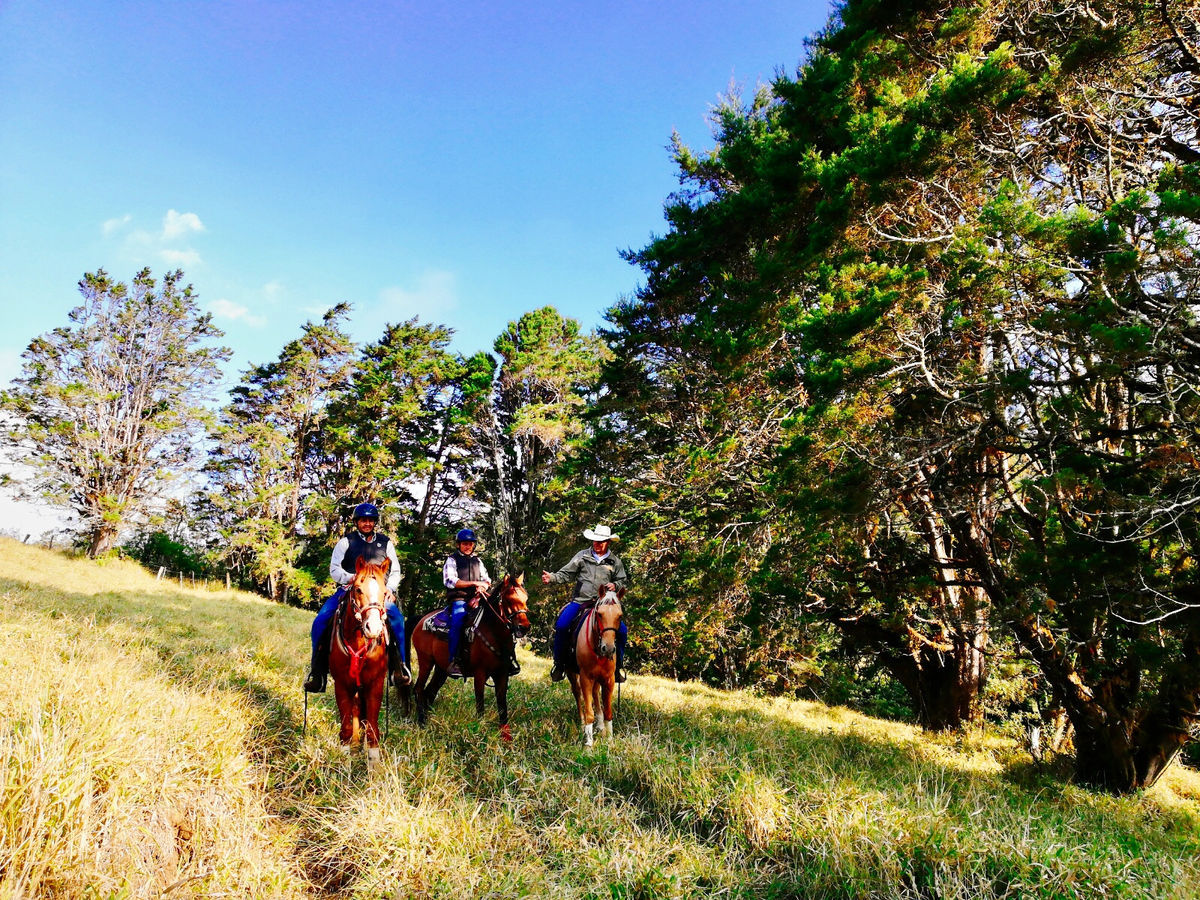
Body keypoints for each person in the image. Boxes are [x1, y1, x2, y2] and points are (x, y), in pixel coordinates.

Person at [304, 502, 411, 693]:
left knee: (397, 620)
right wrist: (351, 578)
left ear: (375, 522)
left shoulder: (386, 543)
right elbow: (334, 569)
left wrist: (390, 588)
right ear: (357, 522)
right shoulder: (346, 542)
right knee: (320, 621)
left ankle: (400, 667)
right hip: (349, 590)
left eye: (370, 520)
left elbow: (395, 570)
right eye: (363, 520)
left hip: (378, 594)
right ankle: (317, 672)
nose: (367, 523)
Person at [542, 525, 628, 683]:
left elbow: (622, 580)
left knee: (622, 632)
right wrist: (552, 578)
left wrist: (616, 585)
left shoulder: (615, 561)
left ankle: (617, 667)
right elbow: (566, 573)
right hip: (581, 601)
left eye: (602, 541)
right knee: (561, 626)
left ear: (608, 542)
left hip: (604, 605)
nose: (598, 544)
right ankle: (559, 664)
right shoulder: (582, 556)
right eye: (596, 541)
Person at [443, 528, 491, 676]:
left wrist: (483, 586)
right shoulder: (452, 559)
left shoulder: (478, 561)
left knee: (497, 617)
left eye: (470, 544)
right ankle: (454, 660)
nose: (468, 546)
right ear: (458, 545)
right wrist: (474, 584)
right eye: (464, 544)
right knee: (458, 622)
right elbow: (450, 580)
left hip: (478, 598)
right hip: (460, 599)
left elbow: (487, 579)